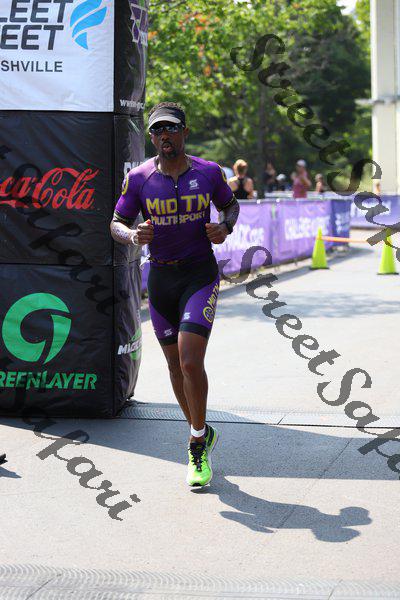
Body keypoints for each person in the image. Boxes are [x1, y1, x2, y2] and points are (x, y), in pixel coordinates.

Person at [110, 102, 240, 487]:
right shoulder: (139, 178)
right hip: (161, 279)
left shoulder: (209, 172)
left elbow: (230, 207)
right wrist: (132, 235)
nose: (164, 135)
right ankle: (200, 429)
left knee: (189, 361)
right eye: (157, 130)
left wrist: (224, 228)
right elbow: (116, 222)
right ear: (152, 137)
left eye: (170, 128)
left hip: (199, 275)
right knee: (173, 366)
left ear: (184, 132)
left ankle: (196, 444)